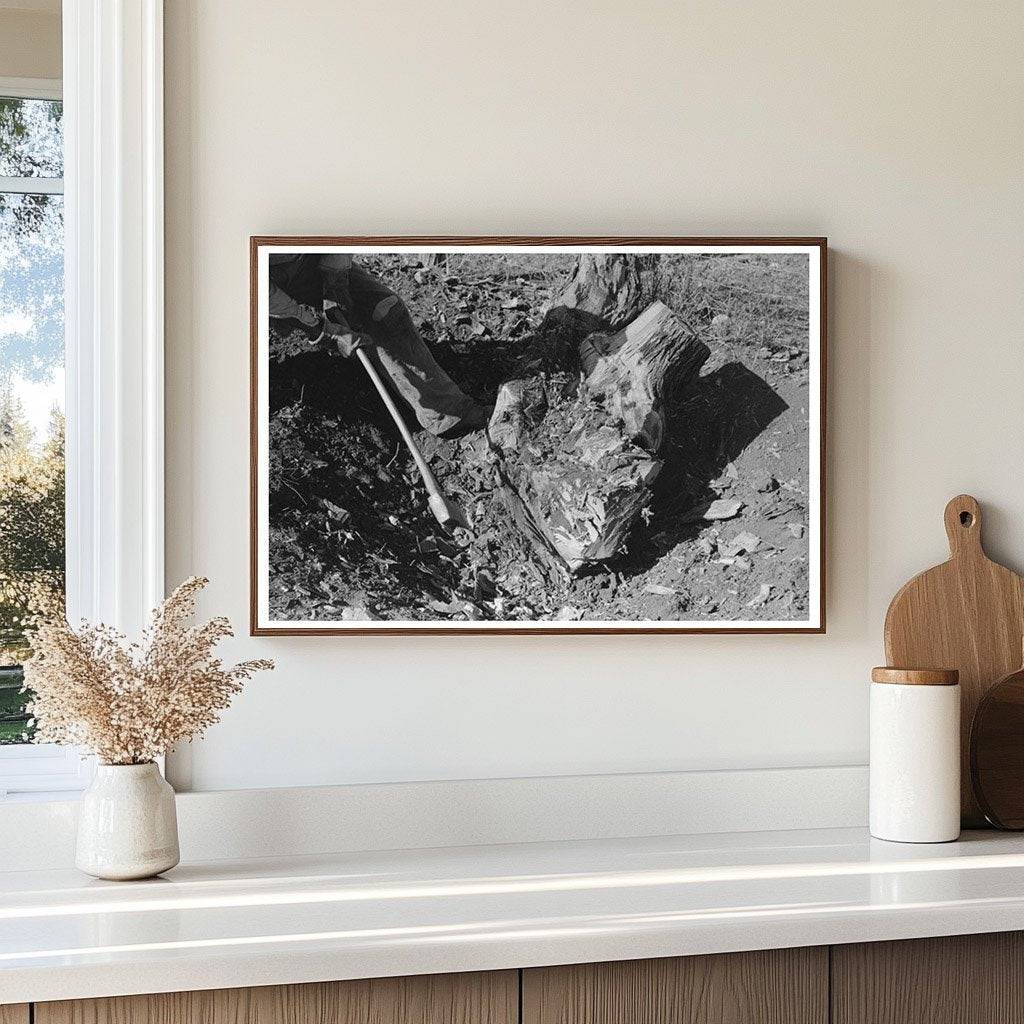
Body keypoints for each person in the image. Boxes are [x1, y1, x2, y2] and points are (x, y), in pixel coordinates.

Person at [268, 253, 488, 436]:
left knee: (385, 310)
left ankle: (446, 413)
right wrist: (319, 329)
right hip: (252, 280)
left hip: (307, 260)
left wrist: (335, 279)